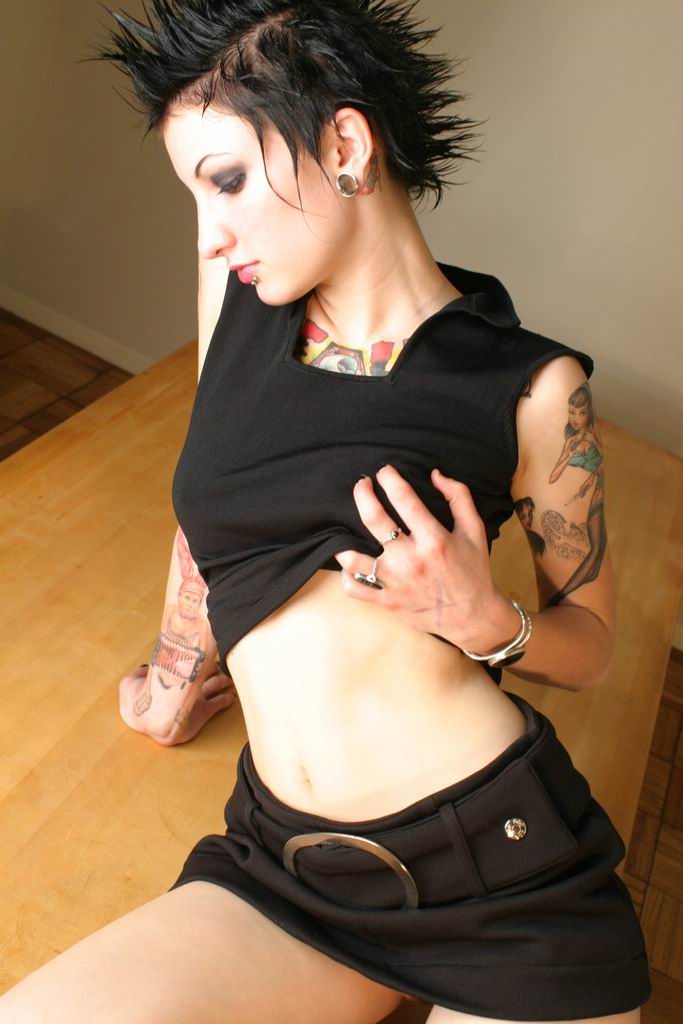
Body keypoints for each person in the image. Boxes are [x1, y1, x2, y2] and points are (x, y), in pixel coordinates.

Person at [0, 2, 652, 1022]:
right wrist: (174, 676)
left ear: (345, 145)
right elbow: (217, 497)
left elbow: (593, 647)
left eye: (225, 181)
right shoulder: (236, 299)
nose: (209, 234)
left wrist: (485, 619)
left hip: (498, 880)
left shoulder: (532, 389)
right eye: (193, 194)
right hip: (282, 866)